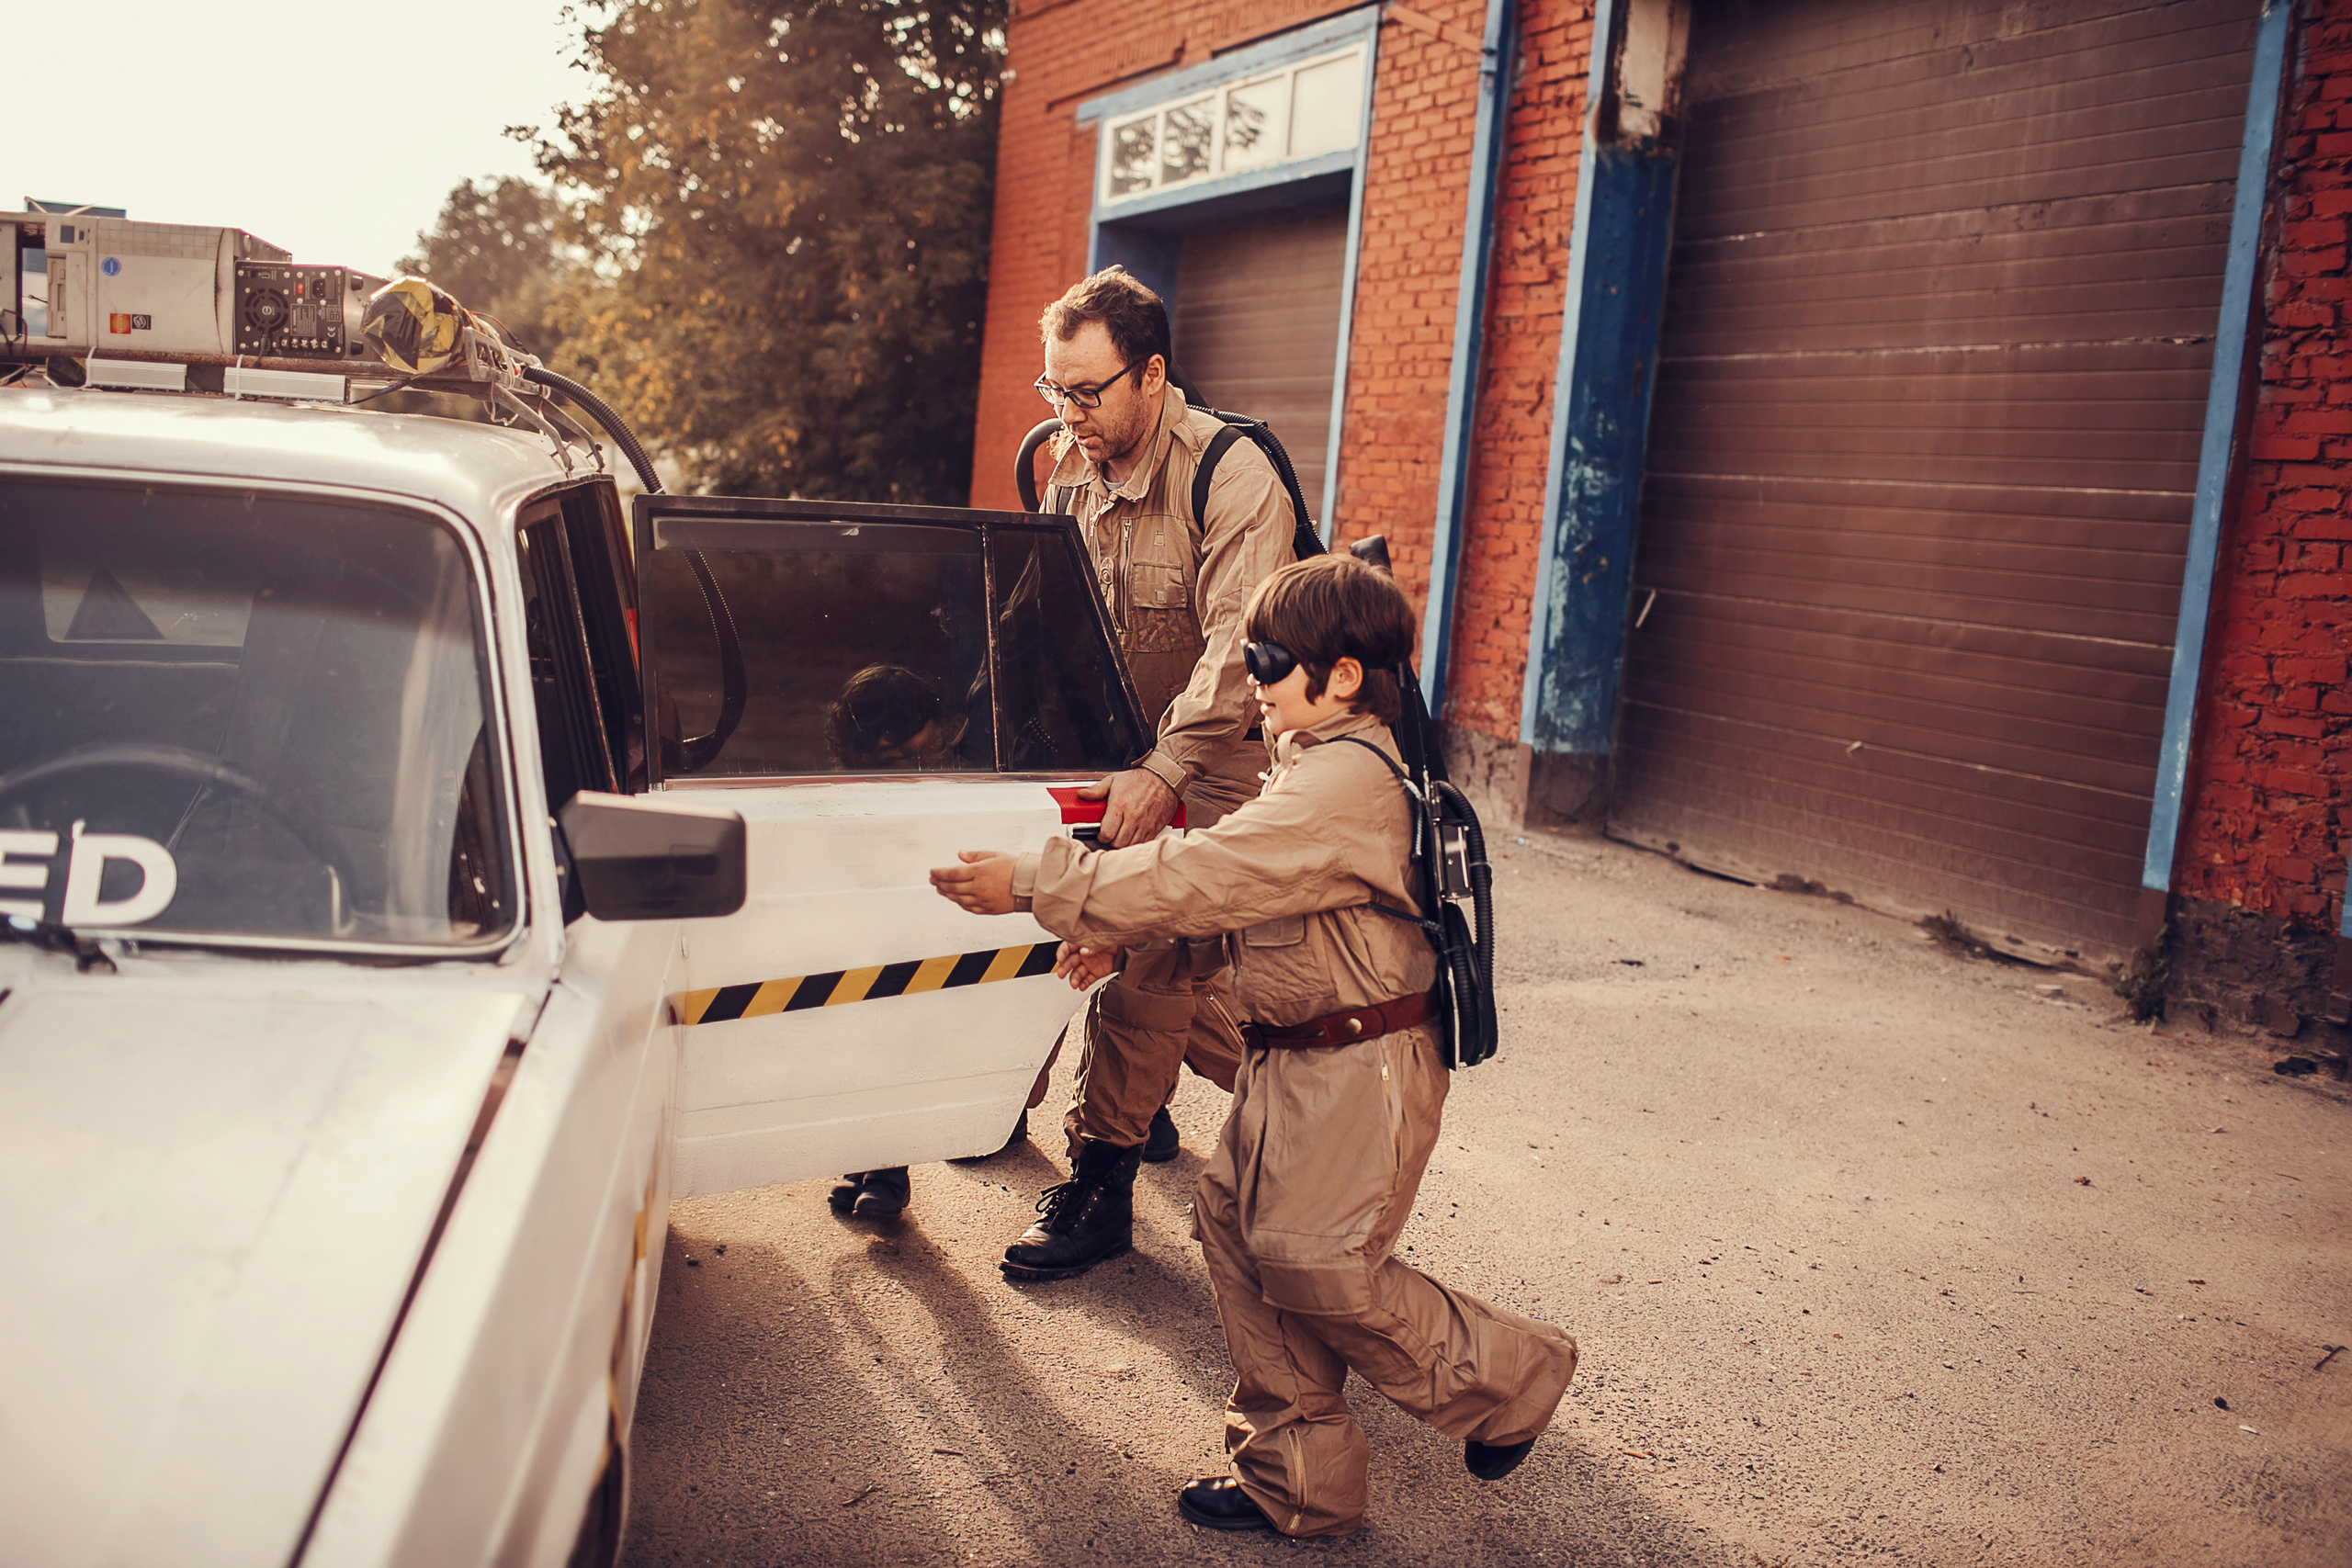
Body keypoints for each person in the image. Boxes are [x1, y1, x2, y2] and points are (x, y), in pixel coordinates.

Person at [931, 555, 1579, 1538]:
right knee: (1239, 1242)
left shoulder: (1343, 783)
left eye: (1269, 660)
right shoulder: (1311, 770)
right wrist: (1122, 936)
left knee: (1318, 1265)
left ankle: (1510, 1377)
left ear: (1344, 676)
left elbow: (1204, 871)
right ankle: (1299, 1481)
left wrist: (1039, 880)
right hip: (1293, 1057)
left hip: (1359, 1067)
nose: (1255, 679)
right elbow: (1245, 906)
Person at [1000, 265, 1296, 1280]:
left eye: (1087, 391)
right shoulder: (1070, 470)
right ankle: (1042, 1091)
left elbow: (1237, 650)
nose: (1068, 413)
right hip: (1119, 745)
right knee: (1053, 901)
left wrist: (1165, 770)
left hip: (1224, 757)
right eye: (1054, 391)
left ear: (1152, 374)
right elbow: (1045, 617)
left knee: (1154, 942)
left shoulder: (1232, 471)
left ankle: (1104, 1174)